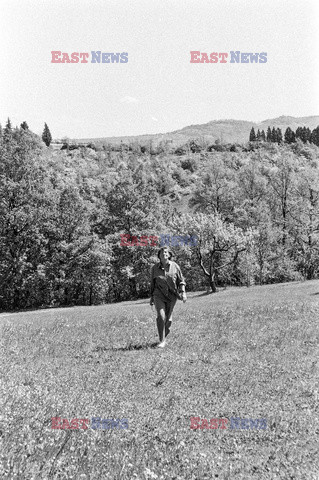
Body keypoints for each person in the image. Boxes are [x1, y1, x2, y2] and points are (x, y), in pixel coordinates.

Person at [150, 247, 187, 348]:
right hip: (158, 294)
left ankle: (164, 335)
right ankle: (162, 341)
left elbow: (181, 281)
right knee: (161, 316)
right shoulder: (154, 268)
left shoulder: (175, 266)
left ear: (169, 255)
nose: (164, 254)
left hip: (172, 295)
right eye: (161, 253)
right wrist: (151, 297)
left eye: (166, 252)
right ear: (159, 256)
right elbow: (152, 283)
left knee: (168, 320)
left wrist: (183, 293)